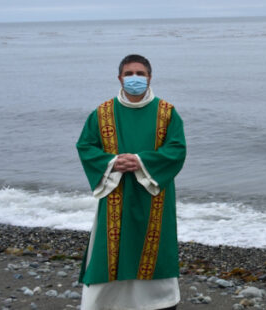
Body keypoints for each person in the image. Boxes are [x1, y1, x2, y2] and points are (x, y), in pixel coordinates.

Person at [76, 54, 186, 310]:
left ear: (149, 78)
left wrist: (140, 162)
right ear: (119, 78)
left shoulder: (167, 113)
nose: (134, 78)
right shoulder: (102, 113)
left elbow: (177, 149)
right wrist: (111, 163)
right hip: (115, 192)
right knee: (109, 249)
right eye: (129, 73)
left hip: (153, 194)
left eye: (140, 73)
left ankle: (159, 303)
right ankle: (104, 304)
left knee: (154, 248)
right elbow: (86, 146)